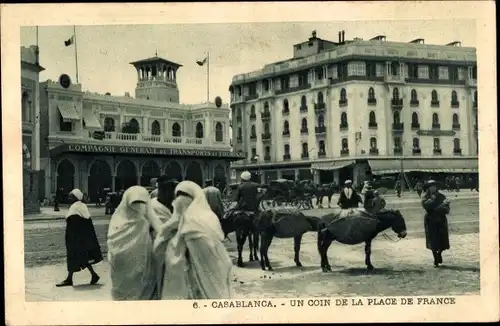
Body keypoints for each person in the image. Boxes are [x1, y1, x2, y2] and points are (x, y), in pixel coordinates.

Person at [153, 181, 233, 299]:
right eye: (178, 196)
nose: (180, 200)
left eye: (183, 196)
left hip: (193, 282)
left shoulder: (191, 223)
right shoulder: (207, 217)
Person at [107, 186, 161, 300]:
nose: (139, 206)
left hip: (144, 269)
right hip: (122, 271)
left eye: (142, 202)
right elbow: (113, 247)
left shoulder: (148, 222)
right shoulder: (118, 222)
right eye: (135, 202)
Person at [56, 189, 102, 287]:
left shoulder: (75, 207)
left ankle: (69, 279)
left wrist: (71, 237)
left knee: (74, 256)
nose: (69, 198)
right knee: (83, 256)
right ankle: (93, 275)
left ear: (75, 197)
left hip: (75, 237)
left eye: (71, 196)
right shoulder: (82, 206)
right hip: (83, 238)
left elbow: (73, 222)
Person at [421, 180, 451, 268]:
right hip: (430, 220)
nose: (433, 188)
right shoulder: (425, 197)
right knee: (432, 239)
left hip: (441, 219)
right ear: (428, 188)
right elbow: (426, 206)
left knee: (442, 238)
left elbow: (447, 210)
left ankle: (439, 253)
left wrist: (443, 207)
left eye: (434, 186)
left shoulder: (442, 196)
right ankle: (435, 258)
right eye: (431, 186)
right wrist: (438, 204)